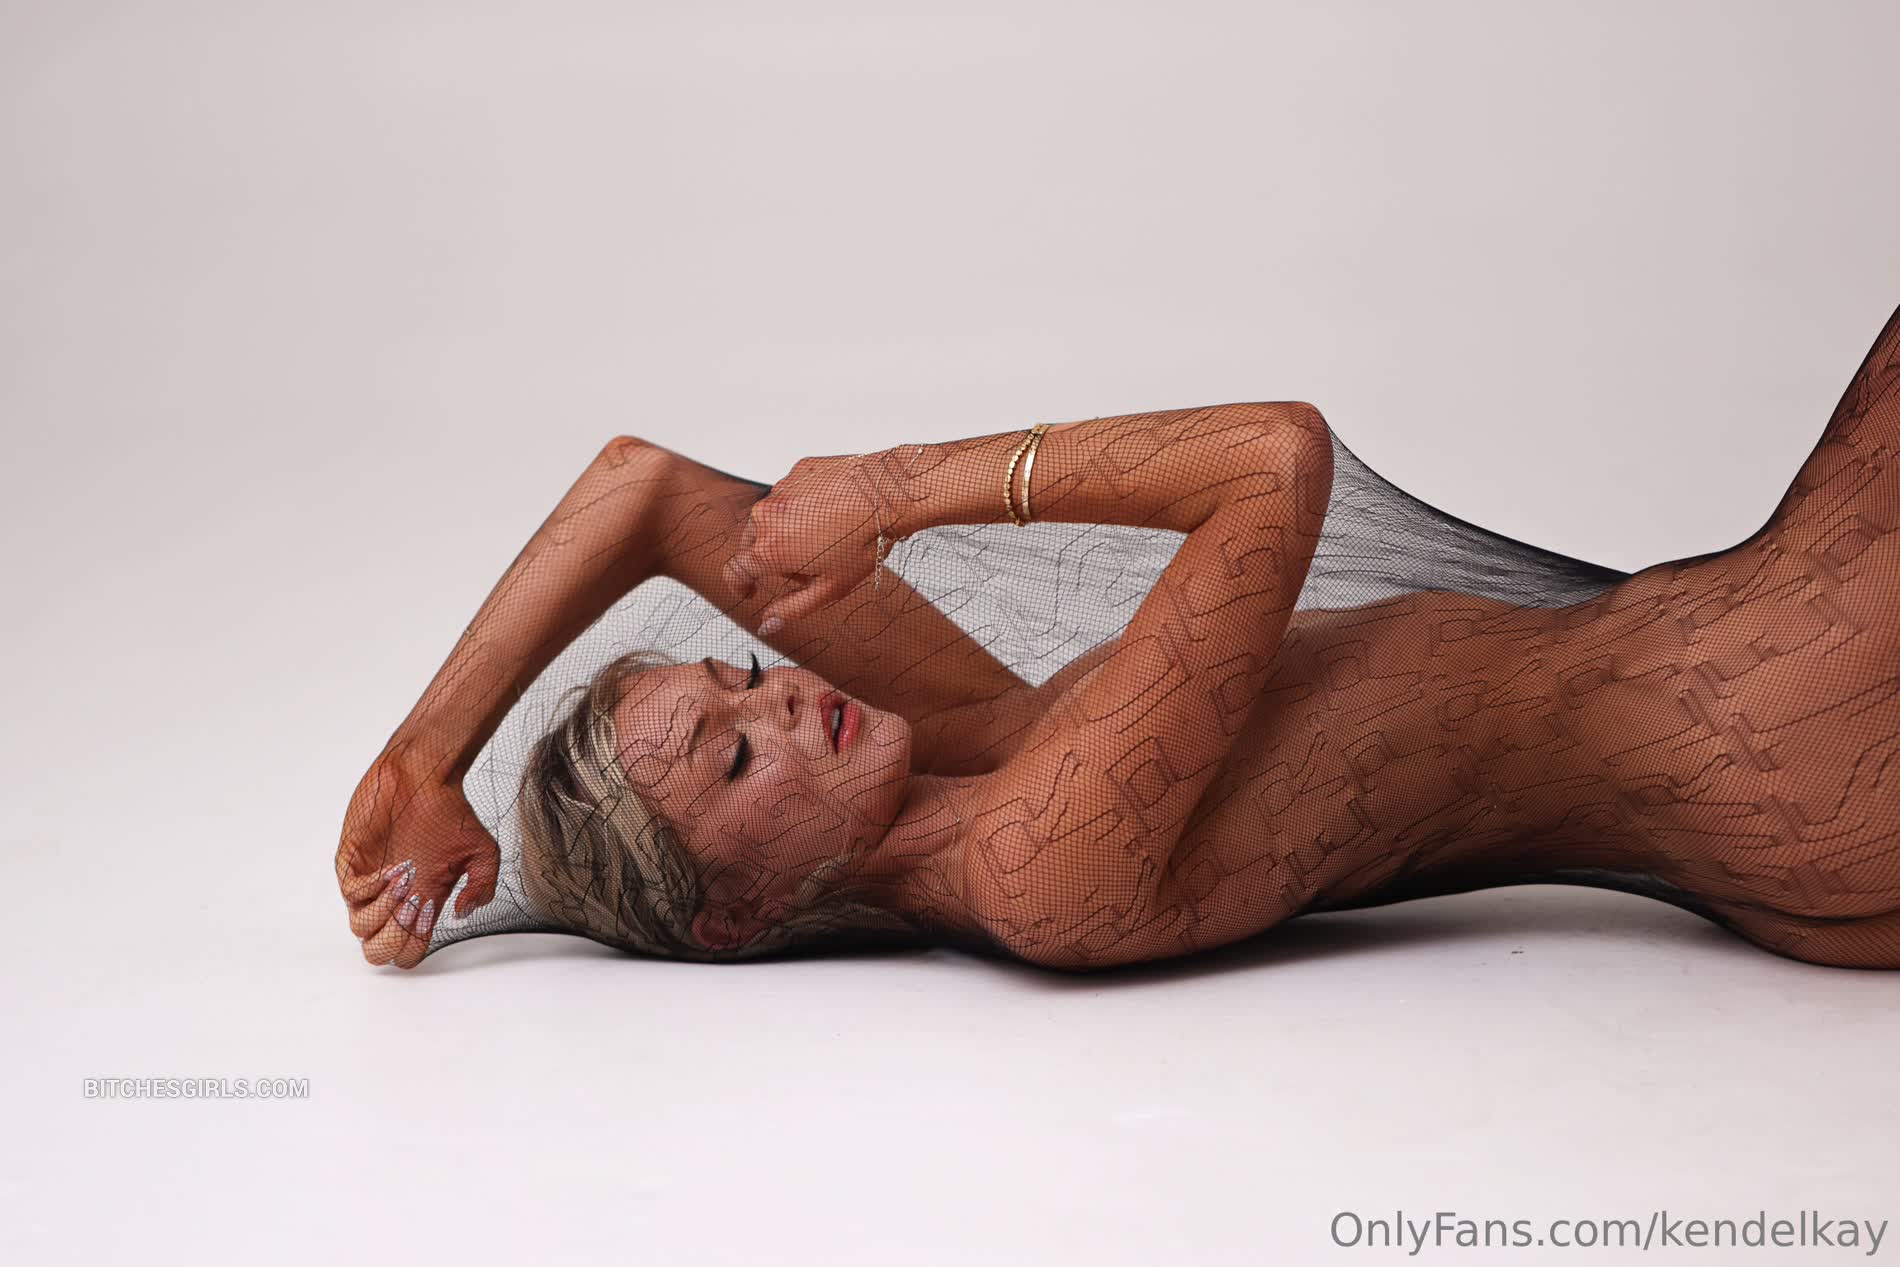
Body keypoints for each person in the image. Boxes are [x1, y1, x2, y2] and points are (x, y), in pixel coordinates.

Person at [336, 303, 1900, 972]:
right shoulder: (1039, 860)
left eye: (742, 675)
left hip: (1764, 727)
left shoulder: (972, 746)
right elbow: (1276, 458)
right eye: (736, 757)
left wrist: (424, 758)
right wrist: (900, 485)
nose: (787, 696)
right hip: (1787, 718)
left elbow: (650, 491)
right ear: (737, 918)